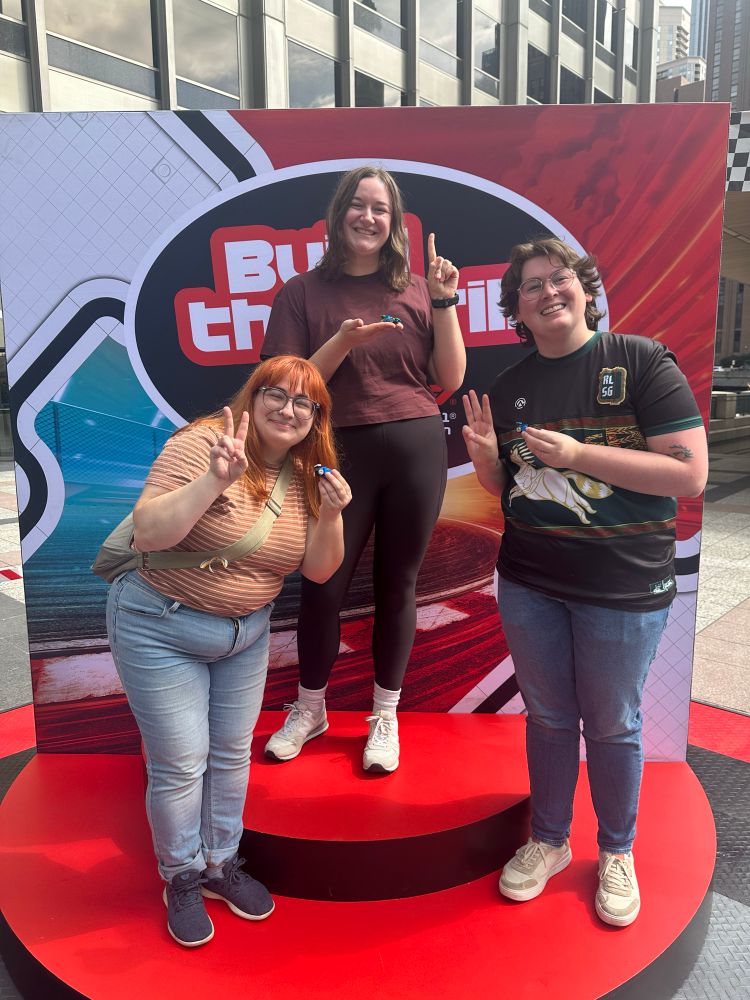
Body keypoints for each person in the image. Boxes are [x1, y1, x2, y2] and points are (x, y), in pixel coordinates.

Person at [462, 236, 707, 927]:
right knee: (545, 717)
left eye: (559, 278)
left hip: (623, 588)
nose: (549, 292)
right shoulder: (510, 388)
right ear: (518, 311)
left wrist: (580, 454)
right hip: (531, 581)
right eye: (532, 286)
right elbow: (516, 490)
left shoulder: (639, 360)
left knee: (611, 723)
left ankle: (617, 850)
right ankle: (547, 839)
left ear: (585, 289)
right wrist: (487, 461)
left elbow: (689, 474)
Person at [106, 356, 350, 947]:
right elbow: (149, 532)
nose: (288, 410)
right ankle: (182, 875)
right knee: (182, 763)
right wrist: (215, 478)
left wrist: (335, 515)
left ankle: (220, 864)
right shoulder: (201, 443)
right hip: (158, 624)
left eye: (304, 403)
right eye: (277, 395)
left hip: (245, 635)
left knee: (231, 755)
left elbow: (320, 571)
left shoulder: (306, 472)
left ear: (315, 417)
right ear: (254, 394)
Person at [261, 165, 466, 773]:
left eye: (381, 208)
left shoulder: (414, 289)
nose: (369, 217)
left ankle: (385, 714)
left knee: (397, 585)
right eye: (358, 205)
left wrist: (444, 300)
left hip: (415, 445)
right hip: (334, 452)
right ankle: (310, 707)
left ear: (394, 221)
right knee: (322, 583)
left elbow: (449, 381)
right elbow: (287, 386)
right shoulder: (301, 291)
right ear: (338, 214)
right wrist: (344, 342)